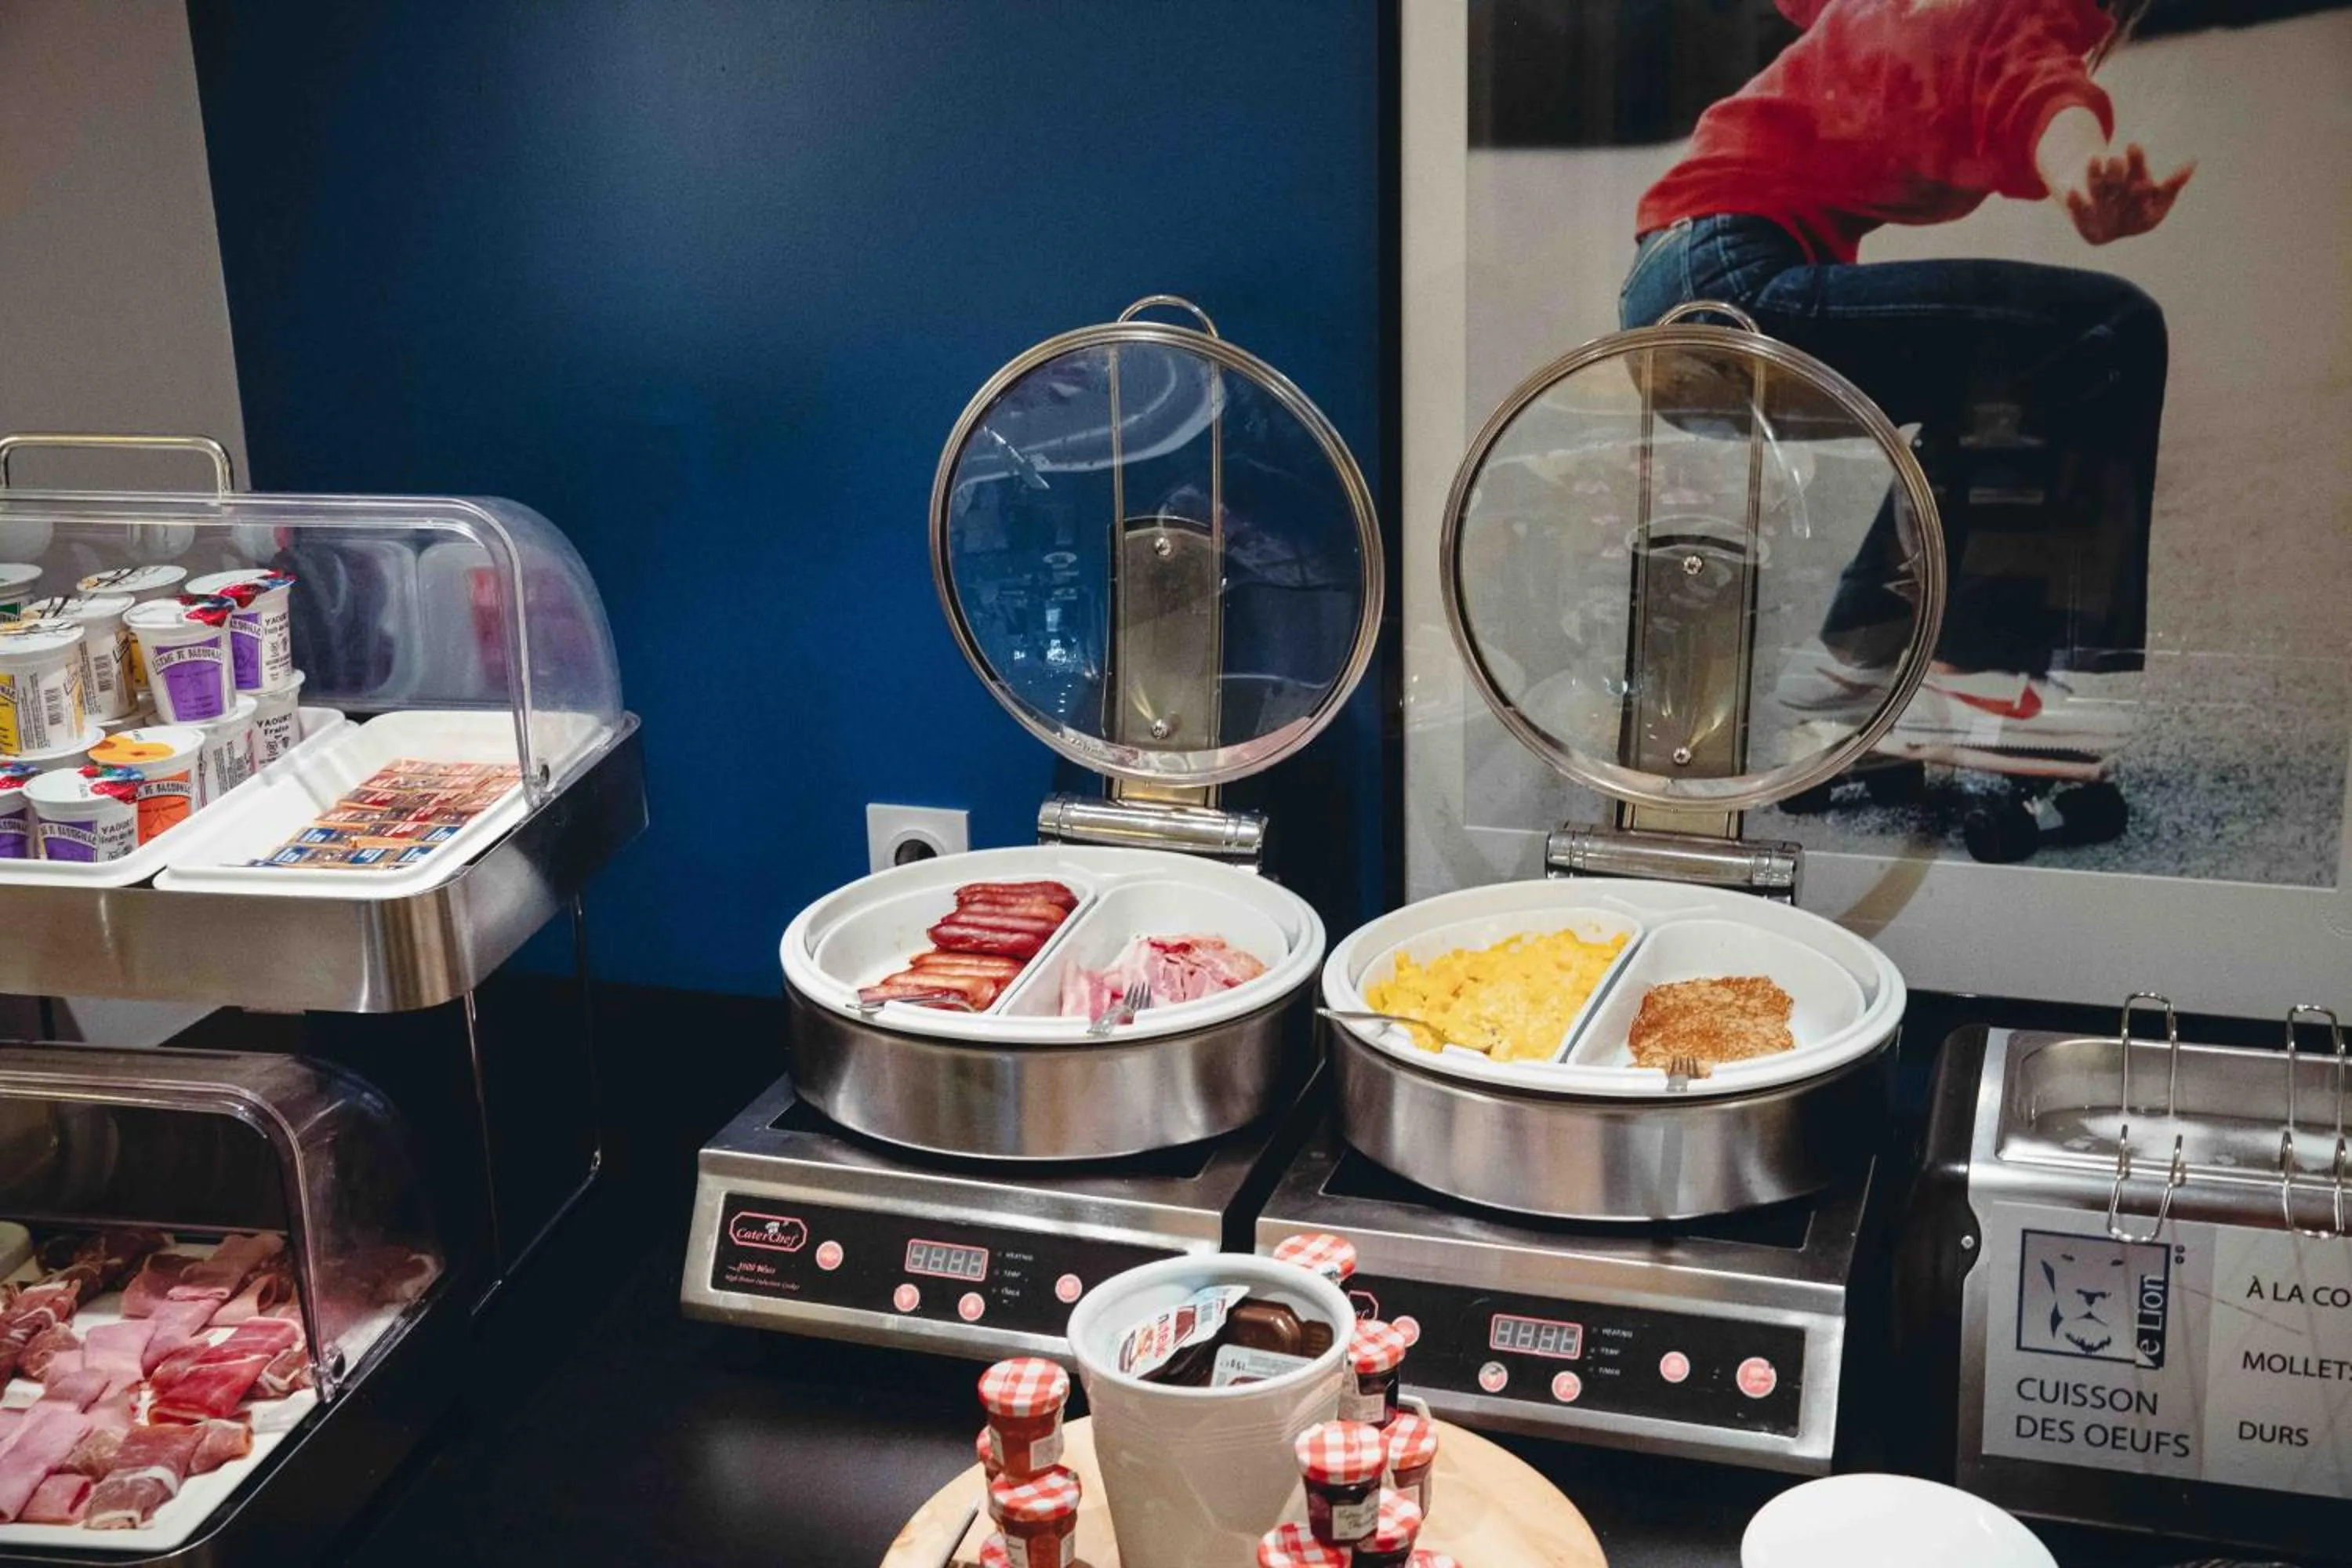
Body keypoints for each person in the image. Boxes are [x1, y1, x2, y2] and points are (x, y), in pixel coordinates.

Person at [1618, 0, 2190, 764]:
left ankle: (1857, 657)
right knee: (2107, 328)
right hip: (1738, 283)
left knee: (1993, 376)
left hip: (1673, 288)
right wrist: (2084, 177)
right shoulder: (2016, 14)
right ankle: (1976, 672)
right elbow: (2043, 98)